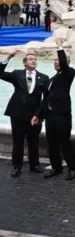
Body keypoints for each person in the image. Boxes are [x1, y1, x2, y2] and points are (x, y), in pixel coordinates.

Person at [33, 38, 75, 180]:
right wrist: (38, 115)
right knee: (51, 143)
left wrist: (60, 46)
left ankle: (72, 168)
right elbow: (45, 99)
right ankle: (56, 167)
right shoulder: (51, 79)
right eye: (54, 61)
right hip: (50, 116)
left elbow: (64, 63)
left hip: (62, 115)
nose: (55, 62)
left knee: (65, 142)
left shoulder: (69, 73)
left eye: (57, 60)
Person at [1, 49, 49, 177]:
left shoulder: (44, 77)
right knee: (18, 141)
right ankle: (17, 166)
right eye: (30, 59)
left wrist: (39, 115)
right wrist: (9, 57)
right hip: (17, 113)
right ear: (25, 63)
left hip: (34, 115)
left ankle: (35, 165)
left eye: (35, 59)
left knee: (34, 141)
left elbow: (45, 99)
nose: (33, 61)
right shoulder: (17, 74)